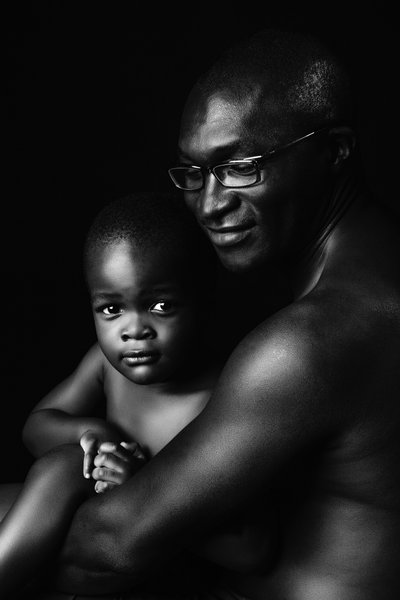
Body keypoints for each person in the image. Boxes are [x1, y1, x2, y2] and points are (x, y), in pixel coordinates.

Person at [4, 27, 400, 600]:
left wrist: (61, 483)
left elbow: (113, 548)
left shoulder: (314, 338)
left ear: (335, 150)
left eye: (241, 165)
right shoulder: (373, 279)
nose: (210, 205)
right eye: (194, 173)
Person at [0, 192, 276, 599]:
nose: (134, 330)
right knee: (60, 466)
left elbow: (252, 549)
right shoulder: (106, 365)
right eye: (111, 310)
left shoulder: (223, 397)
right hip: (86, 532)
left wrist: (145, 486)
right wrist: (94, 434)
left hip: (155, 567)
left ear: (202, 302)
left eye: (161, 305)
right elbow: (36, 428)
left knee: (63, 469)